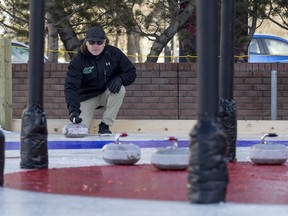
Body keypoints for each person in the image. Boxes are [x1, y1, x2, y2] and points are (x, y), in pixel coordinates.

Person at [64, 26, 137, 135]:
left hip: (106, 94)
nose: (95, 46)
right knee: (79, 131)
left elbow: (131, 71)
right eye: (92, 42)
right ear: (86, 42)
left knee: (120, 90)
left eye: (99, 42)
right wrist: (73, 111)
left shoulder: (114, 53)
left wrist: (120, 78)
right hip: (86, 97)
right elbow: (71, 87)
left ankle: (105, 125)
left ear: (104, 42)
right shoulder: (78, 60)